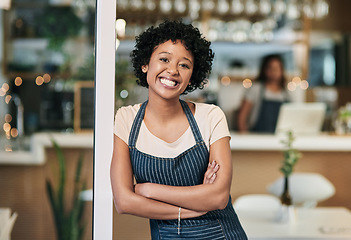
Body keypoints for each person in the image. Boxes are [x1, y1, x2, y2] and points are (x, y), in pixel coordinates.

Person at [110, 20, 247, 239]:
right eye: (164, 59)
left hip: (222, 234)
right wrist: (192, 207)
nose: (173, 70)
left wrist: (149, 190)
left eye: (184, 65)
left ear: (192, 74)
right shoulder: (126, 119)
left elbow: (219, 197)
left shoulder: (210, 117)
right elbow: (124, 202)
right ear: (145, 63)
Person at [237, 54, 290, 133]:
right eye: (271, 68)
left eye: (277, 68)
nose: (274, 72)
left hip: (279, 139)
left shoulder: (286, 93)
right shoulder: (256, 89)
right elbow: (241, 118)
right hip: (257, 138)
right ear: (264, 70)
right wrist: (246, 138)